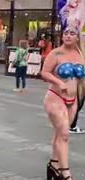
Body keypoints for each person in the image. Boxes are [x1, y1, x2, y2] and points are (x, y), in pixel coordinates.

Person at [41, 29, 84, 180]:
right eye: (66, 33)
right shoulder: (56, 53)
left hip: (73, 100)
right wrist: (59, 82)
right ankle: (65, 174)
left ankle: (54, 164)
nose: (68, 35)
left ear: (78, 37)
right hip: (55, 96)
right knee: (65, 134)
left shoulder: (81, 54)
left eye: (72, 33)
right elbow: (44, 73)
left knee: (60, 133)